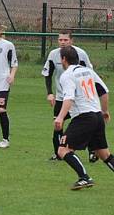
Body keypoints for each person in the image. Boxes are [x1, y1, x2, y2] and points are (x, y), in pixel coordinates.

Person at [55, 46, 114, 191]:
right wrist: (105, 111)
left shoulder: (67, 75)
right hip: (97, 116)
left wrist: (60, 117)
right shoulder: (88, 71)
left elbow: (69, 98)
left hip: (83, 117)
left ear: (63, 59)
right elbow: (104, 91)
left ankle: (84, 178)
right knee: (103, 153)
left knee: (63, 150)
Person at [41, 31, 95, 161]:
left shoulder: (80, 54)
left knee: (86, 125)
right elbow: (48, 74)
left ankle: (92, 151)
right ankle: (58, 153)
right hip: (61, 97)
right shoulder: (53, 54)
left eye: (65, 40)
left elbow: (89, 73)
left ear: (71, 41)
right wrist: (49, 92)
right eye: (60, 40)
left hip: (79, 99)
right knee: (57, 125)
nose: (63, 42)